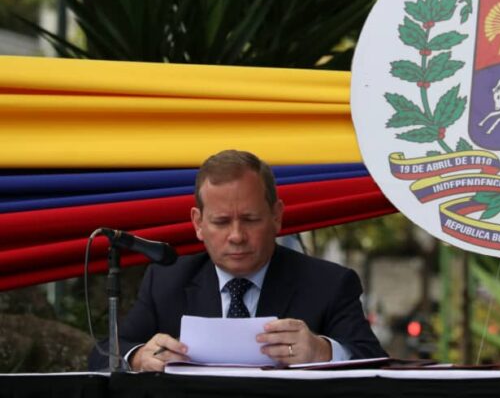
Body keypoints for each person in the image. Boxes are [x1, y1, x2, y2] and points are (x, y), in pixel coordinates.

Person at [88, 150, 386, 371]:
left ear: (277, 216)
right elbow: (104, 354)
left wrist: (324, 353)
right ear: (198, 224)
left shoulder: (328, 284)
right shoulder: (166, 281)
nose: (236, 236)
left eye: (250, 219)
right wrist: (139, 357)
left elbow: (378, 365)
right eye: (221, 222)